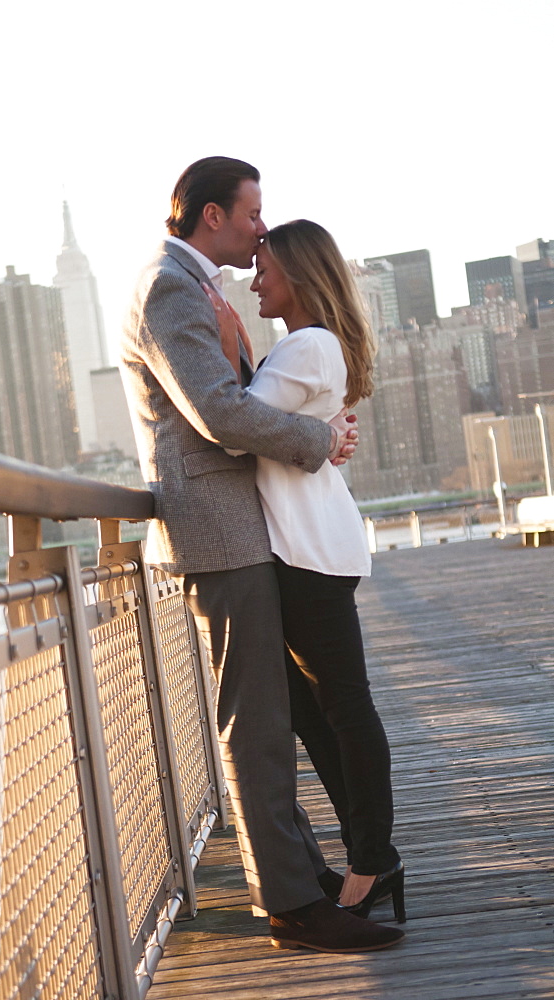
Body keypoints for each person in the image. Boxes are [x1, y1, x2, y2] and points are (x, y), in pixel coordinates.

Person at [120, 156, 404, 952]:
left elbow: (238, 397)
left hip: (248, 528)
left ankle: (303, 876)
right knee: (260, 723)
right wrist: (319, 438)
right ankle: (290, 901)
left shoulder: (196, 288)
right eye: (251, 215)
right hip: (220, 528)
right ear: (212, 215)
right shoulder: (169, 287)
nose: (258, 229)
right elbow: (219, 411)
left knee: (279, 715)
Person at [209, 217, 405, 924]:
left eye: (263, 267)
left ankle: (373, 861)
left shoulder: (306, 346)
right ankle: (361, 852)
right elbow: (275, 424)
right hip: (306, 546)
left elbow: (235, 423)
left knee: (344, 708)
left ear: (296, 273)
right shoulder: (309, 347)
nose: (253, 278)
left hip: (307, 554)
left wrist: (229, 334)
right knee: (311, 709)